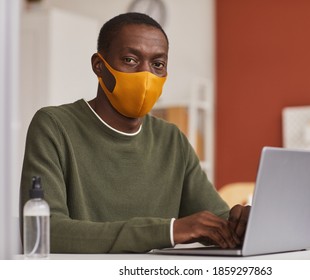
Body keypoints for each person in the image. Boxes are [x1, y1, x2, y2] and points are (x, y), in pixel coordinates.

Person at [19, 12, 250, 253]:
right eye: (130, 60)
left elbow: (217, 224)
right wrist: (168, 231)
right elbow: (44, 232)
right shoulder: (54, 126)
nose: (146, 75)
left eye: (157, 64)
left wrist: (241, 226)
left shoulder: (172, 140)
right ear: (99, 66)